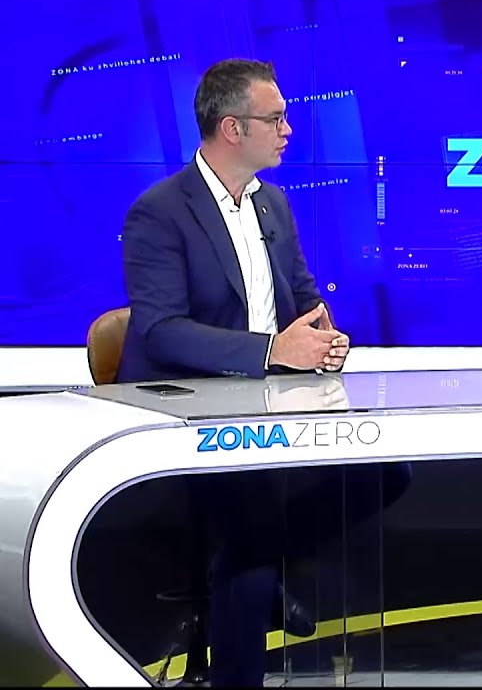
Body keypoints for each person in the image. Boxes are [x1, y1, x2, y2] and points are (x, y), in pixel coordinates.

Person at [118, 59, 409, 686]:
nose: (287, 130)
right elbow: (160, 329)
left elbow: (303, 295)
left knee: (386, 471)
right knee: (249, 537)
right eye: (274, 119)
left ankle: (259, 561)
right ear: (232, 128)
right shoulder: (160, 212)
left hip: (269, 402)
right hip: (185, 413)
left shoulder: (272, 202)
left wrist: (324, 336)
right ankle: (245, 621)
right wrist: (274, 350)